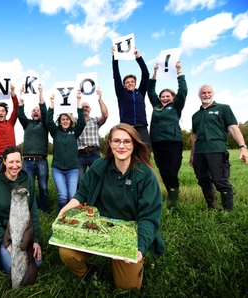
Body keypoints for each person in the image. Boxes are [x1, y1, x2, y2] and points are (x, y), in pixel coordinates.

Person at [58, 123, 165, 290]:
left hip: (128, 235)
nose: (121, 146)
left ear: (134, 144)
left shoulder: (146, 176)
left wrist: (141, 247)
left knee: (128, 287)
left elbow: (148, 217)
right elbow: (82, 193)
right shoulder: (99, 167)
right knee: (66, 252)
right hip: (98, 229)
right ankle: (89, 272)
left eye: (127, 141)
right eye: (116, 141)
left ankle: (130, 265)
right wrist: (67, 207)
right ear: (109, 143)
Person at [189, 85, 248, 211]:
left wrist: (243, 147)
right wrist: (192, 155)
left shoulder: (223, 108)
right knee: (203, 179)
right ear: (199, 95)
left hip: (216, 150)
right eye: (203, 93)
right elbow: (195, 137)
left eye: (209, 92)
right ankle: (213, 206)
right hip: (200, 152)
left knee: (220, 180)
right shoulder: (196, 115)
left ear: (213, 94)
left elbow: (233, 128)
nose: (206, 95)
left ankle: (228, 211)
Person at [0, 146, 42, 273]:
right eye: (11, 162)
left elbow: (33, 212)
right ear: (4, 162)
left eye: (18, 161)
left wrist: (35, 239)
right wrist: (7, 244)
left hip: (24, 233)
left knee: (37, 263)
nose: (15, 166)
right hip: (3, 234)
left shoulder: (28, 181)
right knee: (13, 268)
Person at [147, 61, 188, 212]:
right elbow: (150, 90)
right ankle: (169, 195)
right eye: (162, 96)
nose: (164, 98)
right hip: (157, 144)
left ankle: (174, 201)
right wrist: (155, 73)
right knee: (163, 172)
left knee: (172, 172)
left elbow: (183, 90)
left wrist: (179, 72)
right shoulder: (156, 105)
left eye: (167, 96)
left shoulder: (176, 106)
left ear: (172, 97)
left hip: (173, 143)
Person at [47, 91, 86, 211]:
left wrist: (79, 102)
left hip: (72, 169)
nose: (65, 121)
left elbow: (82, 122)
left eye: (67, 119)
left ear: (70, 120)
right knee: (62, 196)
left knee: (71, 196)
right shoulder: (55, 132)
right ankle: (61, 217)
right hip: (58, 169)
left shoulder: (75, 132)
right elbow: (49, 121)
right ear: (60, 120)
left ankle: (71, 218)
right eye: (63, 119)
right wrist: (52, 104)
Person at [18, 84, 49, 214]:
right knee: (28, 187)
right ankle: (31, 209)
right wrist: (21, 95)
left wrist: (41, 93)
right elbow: (20, 113)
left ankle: (44, 208)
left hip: (41, 161)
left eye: (38, 110)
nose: (36, 111)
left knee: (43, 187)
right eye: (34, 111)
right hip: (28, 161)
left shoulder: (45, 124)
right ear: (31, 115)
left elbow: (45, 110)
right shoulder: (27, 124)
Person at [111, 46, 151, 150]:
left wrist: (138, 57)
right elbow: (116, 75)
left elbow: (146, 74)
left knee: (145, 153)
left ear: (135, 83)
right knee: (129, 153)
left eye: (132, 82)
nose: (130, 83)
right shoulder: (121, 93)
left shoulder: (141, 92)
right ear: (124, 85)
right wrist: (115, 57)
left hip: (142, 128)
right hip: (127, 128)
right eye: (127, 82)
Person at [77, 88, 109, 181]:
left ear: (90, 109)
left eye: (87, 107)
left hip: (94, 153)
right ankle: (82, 196)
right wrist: (76, 100)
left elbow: (105, 115)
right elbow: (67, 114)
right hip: (80, 154)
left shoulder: (95, 120)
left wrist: (99, 98)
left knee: (97, 178)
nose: (85, 108)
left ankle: (96, 196)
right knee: (80, 181)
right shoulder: (75, 121)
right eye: (83, 107)